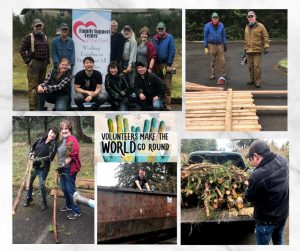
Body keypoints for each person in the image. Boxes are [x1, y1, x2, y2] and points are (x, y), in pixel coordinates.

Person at [245, 140, 289, 245]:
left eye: (250, 159)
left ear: (255, 156)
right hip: (282, 215)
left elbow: (249, 198)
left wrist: (248, 186)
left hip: (266, 221)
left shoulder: (256, 176)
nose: (250, 163)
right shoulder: (283, 160)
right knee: (279, 241)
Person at [23, 127, 59, 211]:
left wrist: (37, 159)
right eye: (51, 132)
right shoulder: (40, 140)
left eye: (55, 134)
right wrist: (31, 153)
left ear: (56, 136)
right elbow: (32, 146)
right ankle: (28, 198)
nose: (52, 135)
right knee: (30, 182)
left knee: (41, 185)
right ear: (48, 132)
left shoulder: (54, 144)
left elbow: (50, 157)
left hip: (43, 168)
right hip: (34, 166)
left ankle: (44, 202)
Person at [19, 18, 50, 111]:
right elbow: (21, 50)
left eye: (40, 25)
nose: (39, 27)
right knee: (33, 86)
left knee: (41, 85)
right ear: (33, 27)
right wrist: (28, 61)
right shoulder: (29, 37)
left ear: (42, 26)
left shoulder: (45, 37)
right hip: (34, 63)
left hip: (43, 63)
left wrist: (48, 60)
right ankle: (33, 108)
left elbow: (47, 49)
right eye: (37, 26)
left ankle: (40, 106)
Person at [56, 120, 82, 220]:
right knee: (64, 189)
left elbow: (71, 157)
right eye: (62, 129)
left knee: (71, 190)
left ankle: (76, 211)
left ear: (69, 129)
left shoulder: (72, 140)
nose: (64, 131)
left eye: (66, 128)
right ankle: (68, 206)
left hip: (69, 169)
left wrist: (62, 165)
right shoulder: (64, 140)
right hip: (62, 168)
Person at [152, 22, 175, 111]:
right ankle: (159, 102)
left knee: (167, 84)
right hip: (156, 64)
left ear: (165, 29)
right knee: (158, 84)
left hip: (166, 64)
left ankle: (167, 104)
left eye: (162, 29)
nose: (160, 31)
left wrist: (169, 64)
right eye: (159, 29)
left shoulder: (169, 38)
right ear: (157, 29)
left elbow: (172, 51)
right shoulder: (154, 38)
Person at [51, 23, 75, 110]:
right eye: (63, 29)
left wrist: (70, 65)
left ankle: (68, 105)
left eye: (66, 30)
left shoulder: (71, 41)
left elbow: (73, 54)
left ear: (68, 31)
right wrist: (58, 65)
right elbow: (53, 54)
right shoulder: (54, 41)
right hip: (58, 67)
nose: (64, 31)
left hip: (68, 68)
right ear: (60, 30)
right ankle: (56, 103)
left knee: (68, 86)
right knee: (56, 84)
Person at [244, 11, 269, 88]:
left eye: (252, 16)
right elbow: (245, 39)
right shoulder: (247, 27)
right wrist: (245, 48)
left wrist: (266, 46)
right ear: (248, 18)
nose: (251, 18)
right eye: (249, 17)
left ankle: (257, 81)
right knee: (250, 67)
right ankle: (252, 79)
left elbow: (265, 36)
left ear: (255, 17)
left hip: (257, 50)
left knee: (256, 66)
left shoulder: (260, 26)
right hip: (249, 50)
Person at [204, 12, 227, 80]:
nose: (215, 19)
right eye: (214, 18)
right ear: (212, 18)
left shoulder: (221, 25)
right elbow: (205, 36)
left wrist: (225, 44)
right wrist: (205, 46)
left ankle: (223, 73)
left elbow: (223, 35)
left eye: (216, 18)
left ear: (218, 18)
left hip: (220, 45)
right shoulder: (207, 25)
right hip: (212, 45)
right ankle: (213, 74)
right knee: (213, 60)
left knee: (222, 60)